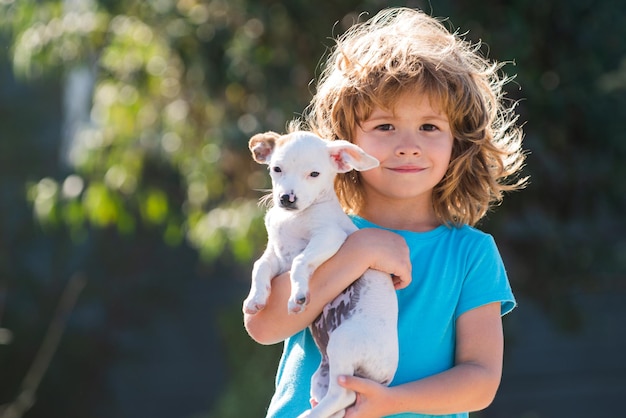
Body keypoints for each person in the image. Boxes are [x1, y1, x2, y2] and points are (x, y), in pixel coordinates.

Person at [244, 7, 527, 418]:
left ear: (457, 142)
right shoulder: (309, 225)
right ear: (345, 148)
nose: (408, 145)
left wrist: (389, 404)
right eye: (385, 126)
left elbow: (480, 380)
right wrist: (359, 252)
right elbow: (265, 325)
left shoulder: (471, 254)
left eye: (429, 127)